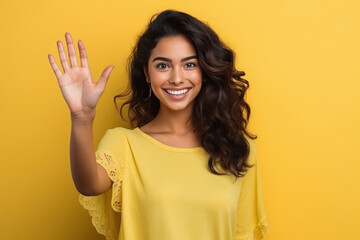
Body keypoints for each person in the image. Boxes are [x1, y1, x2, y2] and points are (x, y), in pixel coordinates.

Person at [48, 9, 269, 240]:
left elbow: (244, 234)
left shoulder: (237, 148)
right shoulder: (125, 144)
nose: (176, 78)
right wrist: (82, 118)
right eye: (163, 66)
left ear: (204, 71)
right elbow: (88, 184)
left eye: (189, 65)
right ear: (147, 73)